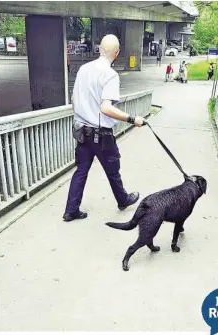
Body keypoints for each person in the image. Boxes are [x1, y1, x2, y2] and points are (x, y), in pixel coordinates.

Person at [63, 34, 145, 222]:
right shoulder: (109, 75)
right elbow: (106, 108)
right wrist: (133, 119)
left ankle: (71, 210)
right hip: (101, 134)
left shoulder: (83, 69)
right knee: (112, 169)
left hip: (81, 131)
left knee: (81, 171)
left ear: (99, 49)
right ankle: (123, 199)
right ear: (116, 53)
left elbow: (75, 100)